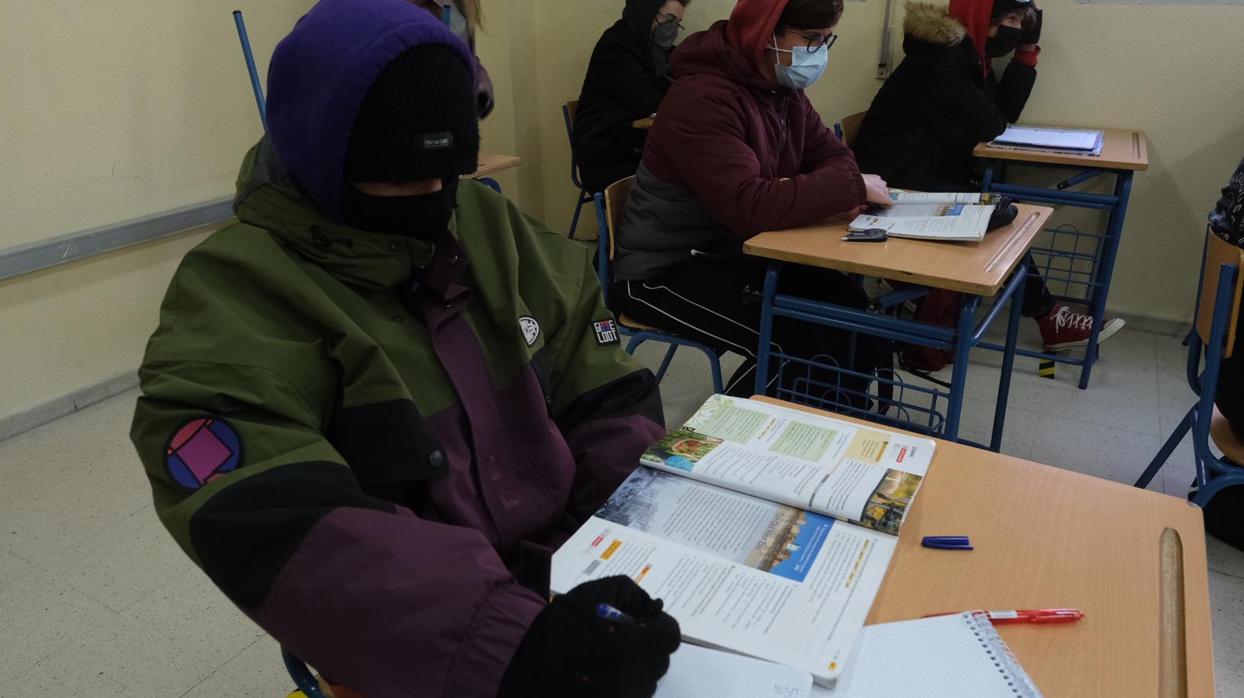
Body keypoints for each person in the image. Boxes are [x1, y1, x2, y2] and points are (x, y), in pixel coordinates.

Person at [128, 1, 680, 696]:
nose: (428, 199)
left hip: (569, 585)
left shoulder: (487, 224)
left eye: (444, 175)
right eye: (397, 177)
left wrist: (633, 526)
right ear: (323, 159)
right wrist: (510, 642)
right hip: (435, 642)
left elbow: (601, 376)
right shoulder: (236, 293)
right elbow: (270, 512)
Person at [613, 0, 894, 398]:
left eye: (827, 40)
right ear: (766, 35)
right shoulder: (702, 98)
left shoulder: (782, 89)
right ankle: (736, 453)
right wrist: (843, 187)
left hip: (730, 251)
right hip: (663, 270)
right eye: (811, 39)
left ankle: (835, 429)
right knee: (794, 345)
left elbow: (834, 156)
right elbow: (751, 206)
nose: (820, 53)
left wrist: (835, 185)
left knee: (847, 307)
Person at [852, 0, 1124, 352]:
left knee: (997, 210)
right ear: (982, 17)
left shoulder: (966, 55)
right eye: (1010, 19)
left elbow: (1001, 113)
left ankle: (1047, 315)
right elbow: (991, 123)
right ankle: (1048, 317)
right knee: (1000, 219)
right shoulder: (940, 60)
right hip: (892, 188)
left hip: (917, 174)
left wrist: (1026, 53)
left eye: (1022, 22)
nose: (1016, 29)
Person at [573, 0, 690, 194]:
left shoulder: (655, 51)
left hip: (637, 149)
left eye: (677, 23)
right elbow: (650, 102)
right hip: (606, 157)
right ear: (645, 13)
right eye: (668, 20)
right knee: (689, 184)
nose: (672, 29)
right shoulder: (616, 47)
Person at [410, 0, 495, 117]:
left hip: (459, 111)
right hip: (423, 113)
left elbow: (463, 51)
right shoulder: (407, 6)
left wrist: (481, 82)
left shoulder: (463, 4)